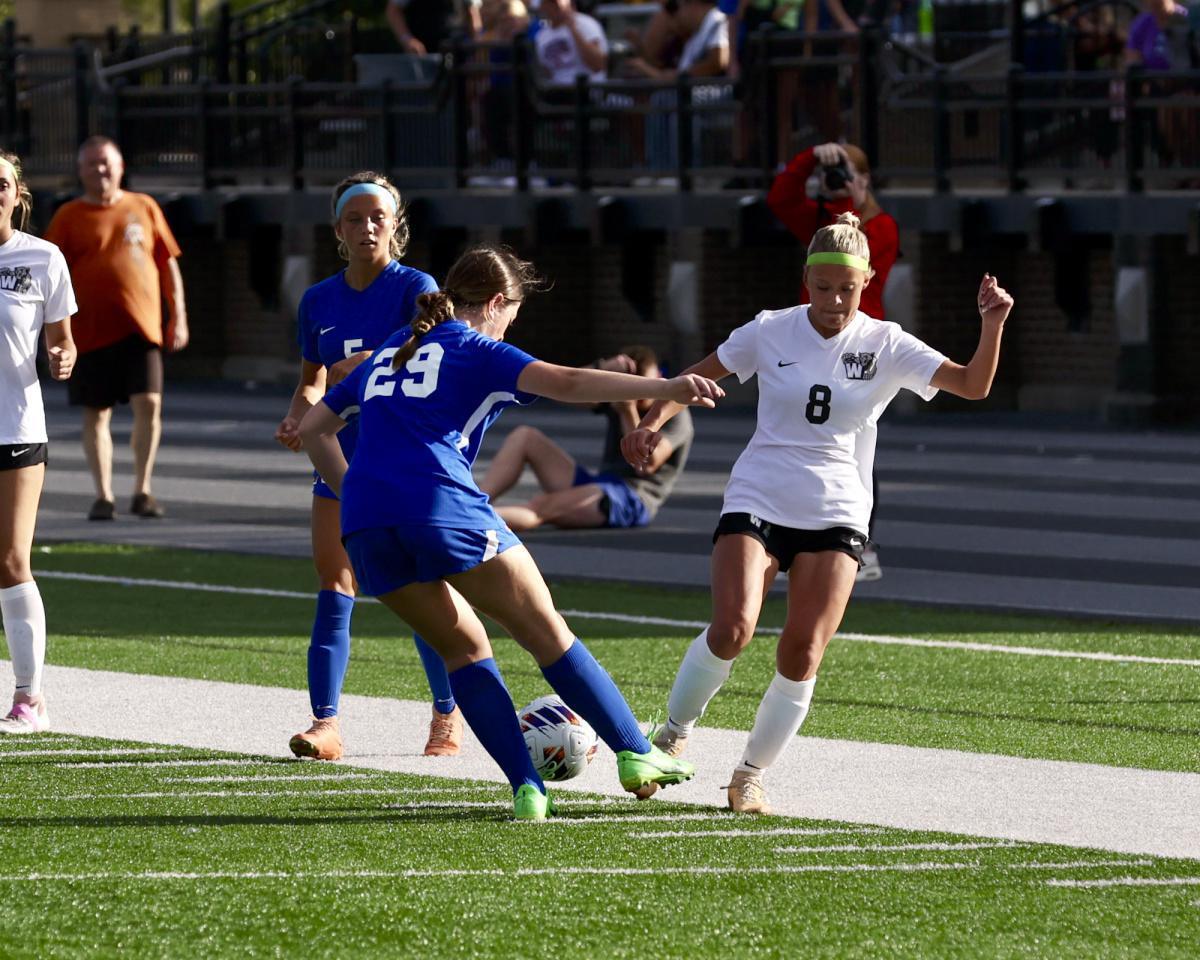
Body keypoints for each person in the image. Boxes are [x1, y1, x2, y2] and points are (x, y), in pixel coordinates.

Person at [298, 244, 721, 820]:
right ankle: (636, 752)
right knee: (547, 632)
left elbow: (315, 427)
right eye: (514, 310)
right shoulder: (475, 346)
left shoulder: (395, 347)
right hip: (439, 504)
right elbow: (568, 384)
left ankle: (527, 789)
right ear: (497, 301)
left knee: (464, 651)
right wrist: (670, 390)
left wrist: (356, 494)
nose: (512, 322)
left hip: (368, 525)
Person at [623, 212, 1012, 814]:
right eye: (823, 286)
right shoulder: (769, 330)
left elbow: (972, 385)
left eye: (847, 289)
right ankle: (670, 736)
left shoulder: (887, 342)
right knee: (732, 629)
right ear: (806, 279)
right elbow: (697, 378)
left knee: (802, 653)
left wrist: (992, 324)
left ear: (867, 283)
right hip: (759, 495)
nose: (834, 300)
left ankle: (749, 774)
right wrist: (650, 422)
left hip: (837, 510)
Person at [274, 172, 464, 762]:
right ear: (337, 229)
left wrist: (356, 364)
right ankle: (325, 723)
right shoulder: (318, 300)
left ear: (395, 224)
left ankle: (446, 714)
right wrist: (296, 416)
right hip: (338, 462)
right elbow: (312, 381)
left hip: (402, 464)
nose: (366, 227)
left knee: (419, 590)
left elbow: (424, 357)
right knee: (335, 586)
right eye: (354, 218)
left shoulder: (417, 287)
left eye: (377, 216)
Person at [768, 141, 899, 580]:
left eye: (853, 176)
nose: (847, 184)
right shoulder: (820, 223)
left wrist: (842, 198)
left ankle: (859, 543)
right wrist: (809, 159)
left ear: (866, 181)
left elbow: (852, 252)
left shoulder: (882, 226)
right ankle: (797, 538)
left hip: (863, 347)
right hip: (811, 344)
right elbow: (780, 200)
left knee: (857, 444)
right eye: (843, 176)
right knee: (804, 441)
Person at [43, 135, 187, 522]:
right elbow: (49, 274)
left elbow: (166, 262)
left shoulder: (144, 206)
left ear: (121, 166)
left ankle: (142, 490)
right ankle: (103, 495)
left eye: (106, 162)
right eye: (92, 164)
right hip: (88, 331)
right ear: (80, 171)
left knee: (150, 404)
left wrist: (180, 315)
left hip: (140, 328)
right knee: (96, 413)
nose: (100, 170)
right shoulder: (68, 216)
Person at [0, 148, 78, 734]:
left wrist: (61, 356)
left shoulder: (42, 258)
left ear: (17, 195)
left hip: (16, 428)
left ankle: (30, 698)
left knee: (11, 558)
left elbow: (63, 340)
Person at [480, 346, 694, 531]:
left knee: (544, 506)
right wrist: (603, 369)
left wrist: (627, 409)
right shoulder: (621, 397)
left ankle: (469, 521)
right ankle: (474, 502)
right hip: (599, 482)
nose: (639, 398)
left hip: (630, 497)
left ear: (658, 378)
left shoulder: (675, 413)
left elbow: (646, 464)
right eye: (633, 388)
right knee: (525, 436)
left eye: (644, 389)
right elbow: (565, 389)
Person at [534, 0, 609, 86]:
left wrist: (573, 29)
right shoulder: (542, 36)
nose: (557, 7)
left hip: (587, 90)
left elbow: (598, 65)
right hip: (557, 93)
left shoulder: (586, 24)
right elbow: (546, 72)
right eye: (551, 3)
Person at [386, 0, 482, 54]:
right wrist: (407, 39)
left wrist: (477, 46)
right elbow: (393, 11)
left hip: (457, 50)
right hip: (423, 54)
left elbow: (473, 14)